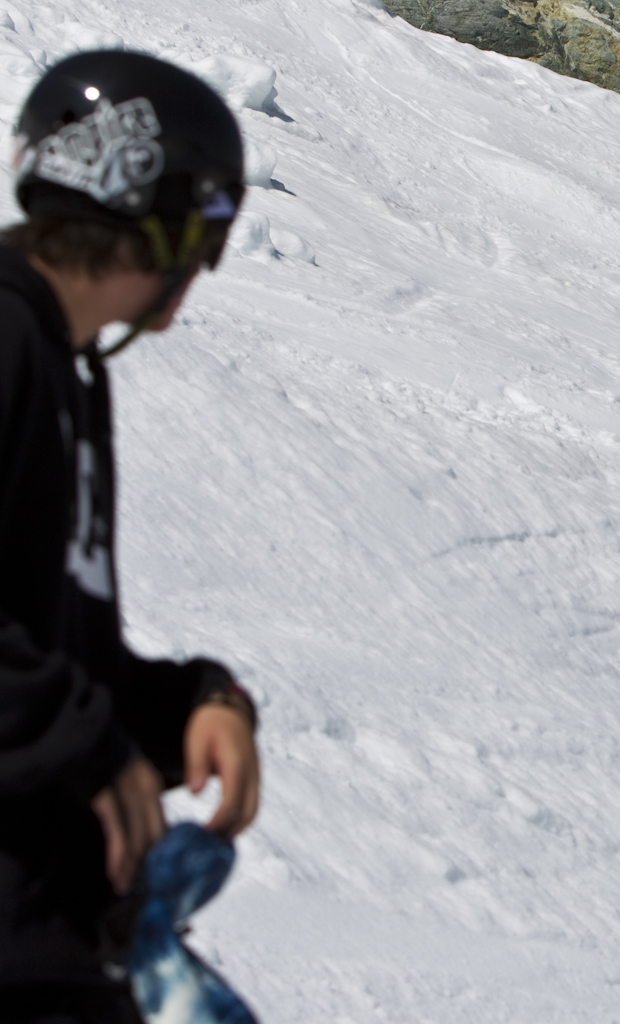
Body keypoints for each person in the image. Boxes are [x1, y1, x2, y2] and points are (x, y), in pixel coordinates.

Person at [0, 51, 259, 1023]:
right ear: (151, 216)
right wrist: (90, 745)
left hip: (53, 938)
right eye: (206, 235)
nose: (201, 271)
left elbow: (63, 651)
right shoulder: (7, 340)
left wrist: (194, 700)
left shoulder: (69, 372)